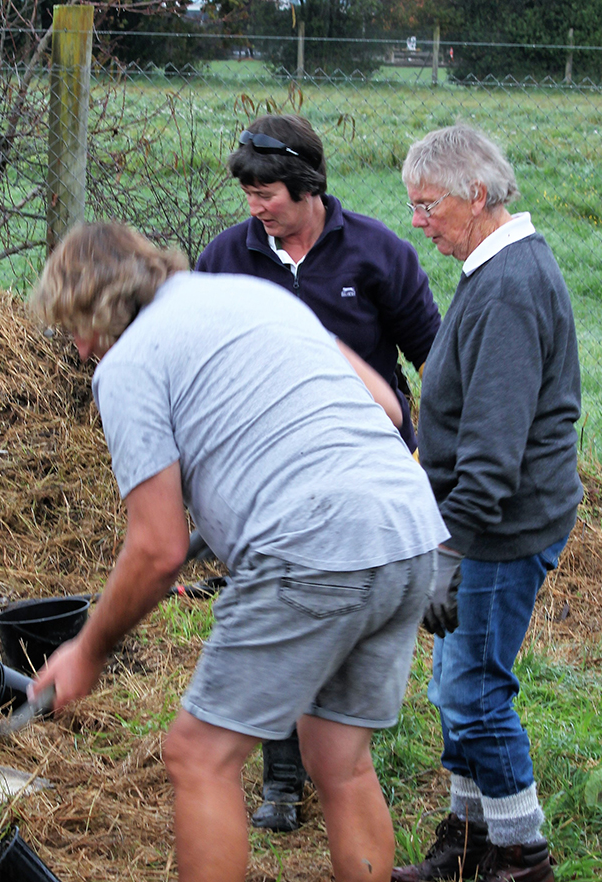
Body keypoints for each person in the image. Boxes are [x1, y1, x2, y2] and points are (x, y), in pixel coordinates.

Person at [28, 221, 448, 882]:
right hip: (404, 530)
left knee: (197, 754)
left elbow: (157, 547)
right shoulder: (252, 297)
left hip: (311, 543)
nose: (79, 350)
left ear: (97, 309)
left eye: (76, 328)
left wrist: (88, 651)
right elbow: (385, 400)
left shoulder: (130, 363)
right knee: (340, 759)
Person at [196, 113, 441, 832]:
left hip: (364, 480)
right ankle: (280, 783)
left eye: (266, 193)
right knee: (274, 612)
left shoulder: (378, 254)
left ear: (307, 186)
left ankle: (340, 762)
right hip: (267, 480)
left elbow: (435, 361)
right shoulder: (226, 258)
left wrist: (432, 459)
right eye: (247, 193)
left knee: (340, 616)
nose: (255, 206)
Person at [391, 125, 583, 882]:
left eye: (427, 205)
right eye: (411, 206)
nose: (417, 223)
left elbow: (494, 445)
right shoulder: (492, 269)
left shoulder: (507, 288)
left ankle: (523, 859)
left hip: (499, 529)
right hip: (480, 525)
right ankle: (468, 835)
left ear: (476, 195)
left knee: (473, 691)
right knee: (453, 680)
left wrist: (450, 548)